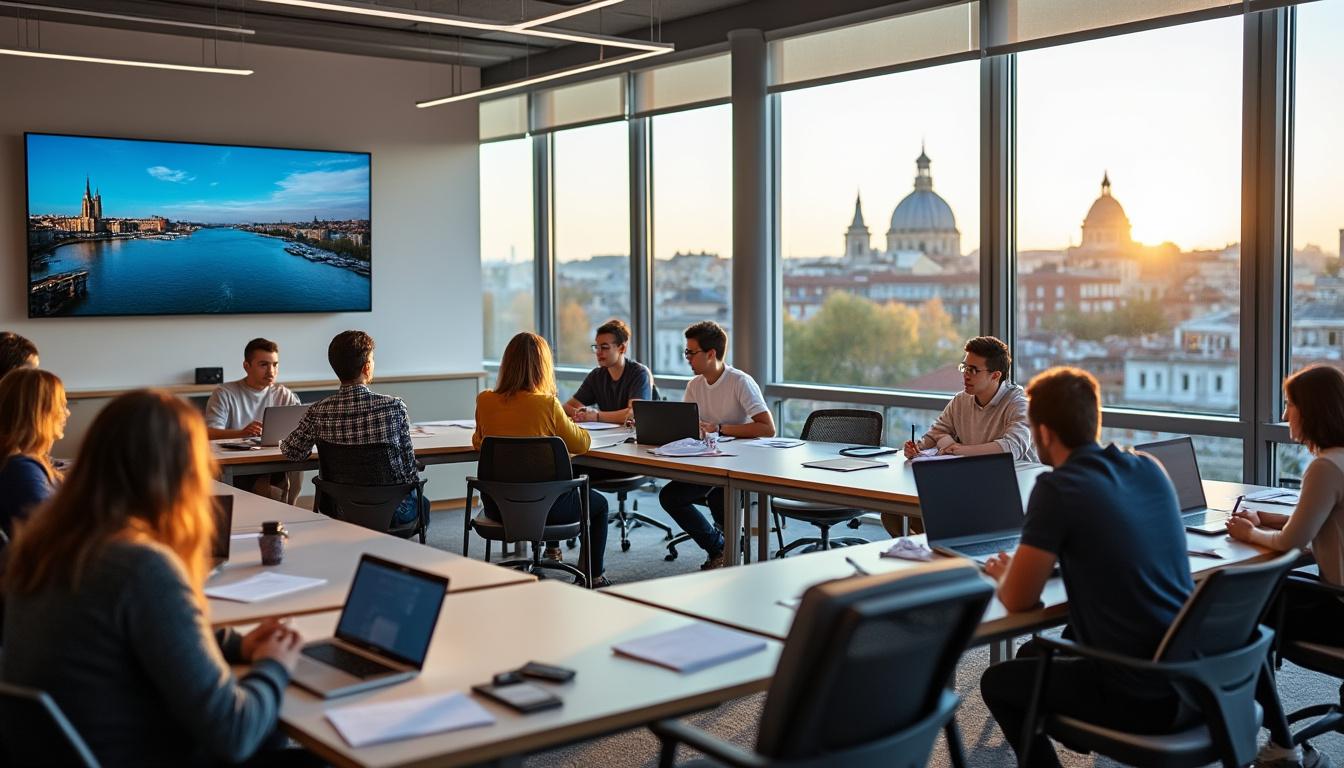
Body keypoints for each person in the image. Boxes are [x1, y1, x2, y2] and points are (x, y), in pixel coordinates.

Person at [1, 389, 307, 766]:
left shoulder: (49, 547)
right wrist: (275, 663)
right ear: (181, 473)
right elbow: (234, 732)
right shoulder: (139, 567)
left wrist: (236, 646)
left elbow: (134, 632)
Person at [978, 367, 1195, 768]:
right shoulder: (1149, 466)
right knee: (1031, 655)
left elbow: (1019, 599)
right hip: (1194, 678)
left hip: (1138, 692)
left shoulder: (1058, 487)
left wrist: (1001, 573)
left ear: (1042, 433)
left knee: (998, 682)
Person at [1229, 363, 1343, 768]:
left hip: (1339, 610)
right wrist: (1270, 521)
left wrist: (1248, 535)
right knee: (1274, 594)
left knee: (1249, 619)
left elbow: (1292, 541)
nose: (1283, 415)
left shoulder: (1325, 467)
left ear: (1312, 412)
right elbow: (1319, 523)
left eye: (1289, 404)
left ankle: (1280, 742)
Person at [473, 332, 612, 587]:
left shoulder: (485, 400)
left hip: (498, 507)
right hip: (550, 510)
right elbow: (582, 444)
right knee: (599, 504)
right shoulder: (548, 405)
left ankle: (549, 553)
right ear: (543, 367)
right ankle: (594, 574)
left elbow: (479, 443)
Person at [658, 321, 775, 570]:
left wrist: (719, 428)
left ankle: (727, 552)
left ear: (711, 354)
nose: (687, 358)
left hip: (737, 466)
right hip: (704, 463)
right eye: (685, 352)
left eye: (691, 352)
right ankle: (719, 547)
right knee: (670, 496)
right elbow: (688, 425)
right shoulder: (695, 385)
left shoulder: (740, 382)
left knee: (720, 498)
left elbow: (767, 428)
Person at [281, 331, 426, 528]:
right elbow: (409, 470)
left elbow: (292, 452)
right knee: (422, 504)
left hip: (339, 508)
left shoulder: (318, 411)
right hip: (391, 510)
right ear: (366, 367)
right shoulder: (393, 407)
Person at [903, 336, 1035, 461]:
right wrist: (917, 448)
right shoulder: (961, 400)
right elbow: (937, 433)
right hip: (975, 473)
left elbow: (1012, 448)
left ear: (995, 376)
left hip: (1018, 479)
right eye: (965, 368)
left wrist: (959, 450)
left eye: (973, 370)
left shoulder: (1018, 403)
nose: (965, 375)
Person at [206, 337, 302, 502]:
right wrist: (241, 433)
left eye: (275, 365)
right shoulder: (224, 393)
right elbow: (209, 433)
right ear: (246, 366)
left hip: (273, 458)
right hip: (236, 464)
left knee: (298, 464)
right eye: (263, 365)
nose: (271, 371)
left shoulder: (283, 394)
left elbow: (301, 426)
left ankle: (290, 508)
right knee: (268, 488)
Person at [0, 368, 67, 538]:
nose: (67, 413)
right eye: (61, 406)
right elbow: (50, 535)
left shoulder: (25, 462)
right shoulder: (21, 469)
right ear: (39, 412)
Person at [562, 319, 652, 425]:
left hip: (639, 438)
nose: (598, 352)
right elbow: (567, 407)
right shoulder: (596, 376)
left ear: (622, 348)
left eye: (604, 347)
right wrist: (582, 414)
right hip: (610, 437)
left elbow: (634, 413)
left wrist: (596, 416)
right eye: (596, 347)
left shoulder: (639, 373)